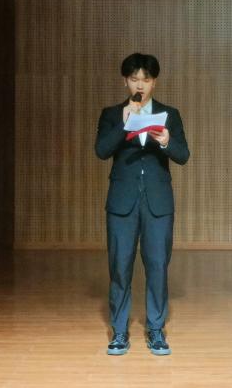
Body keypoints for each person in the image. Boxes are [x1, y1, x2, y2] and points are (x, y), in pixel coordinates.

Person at [95, 53, 190, 356]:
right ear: (125, 81)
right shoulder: (112, 114)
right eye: (134, 79)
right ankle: (119, 332)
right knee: (119, 266)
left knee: (158, 266)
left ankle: (156, 330)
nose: (140, 85)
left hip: (157, 202)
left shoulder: (169, 114)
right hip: (122, 201)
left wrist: (165, 141)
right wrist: (123, 125)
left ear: (154, 82)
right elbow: (101, 150)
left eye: (145, 80)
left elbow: (183, 155)